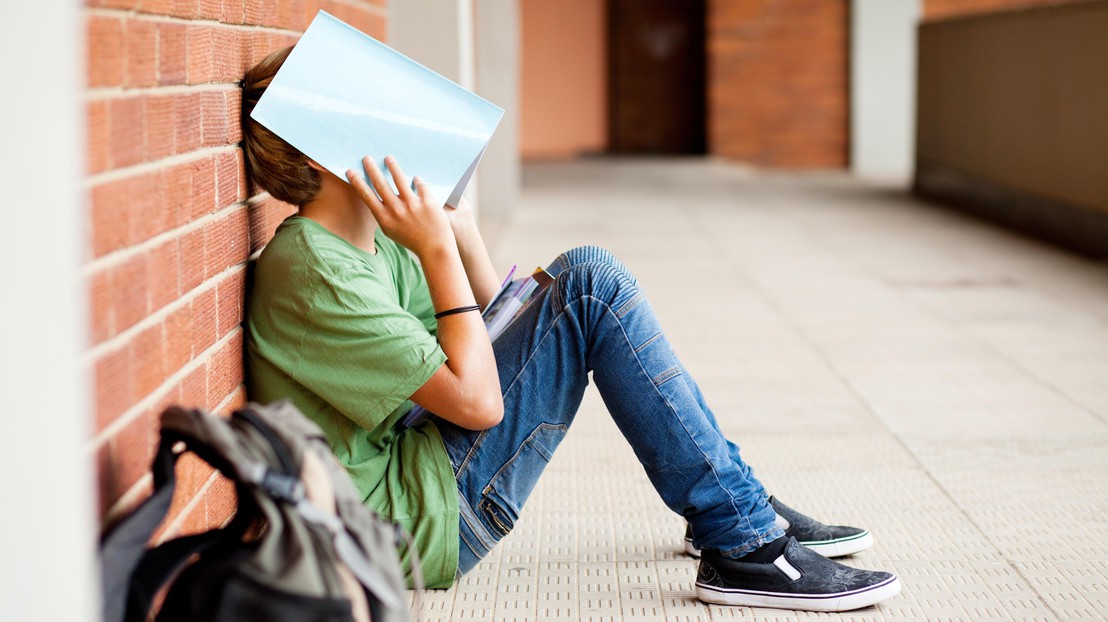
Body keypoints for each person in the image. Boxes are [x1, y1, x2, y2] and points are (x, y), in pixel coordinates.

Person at [242, 47, 901, 612]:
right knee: (589, 283)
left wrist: (461, 235)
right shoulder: (315, 267)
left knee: (583, 284)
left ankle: (736, 510)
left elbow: (488, 328)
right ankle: (744, 538)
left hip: (418, 468)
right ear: (326, 150)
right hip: (407, 523)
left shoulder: (366, 245)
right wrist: (436, 251)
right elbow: (478, 400)